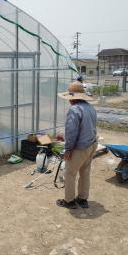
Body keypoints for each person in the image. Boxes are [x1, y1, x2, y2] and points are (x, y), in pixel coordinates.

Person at [56, 81, 97, 209]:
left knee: (70, 173)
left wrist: (68, 149)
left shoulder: (74, 109)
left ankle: (69, 201)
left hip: (80, 148)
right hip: (92, 144)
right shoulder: (90, 108)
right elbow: (87, 127)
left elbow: (72, 132)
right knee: (85, 172)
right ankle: (83, 199)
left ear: (72, 98)